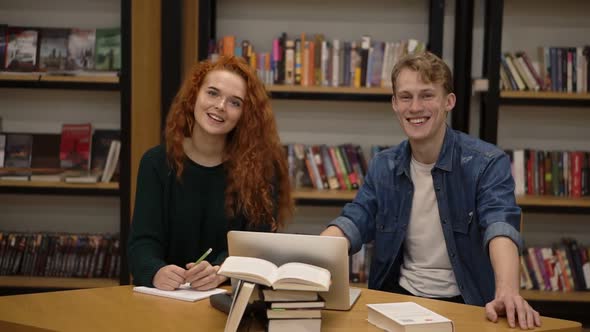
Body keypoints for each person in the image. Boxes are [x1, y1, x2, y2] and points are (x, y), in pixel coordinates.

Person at [321, 51, 541, 329]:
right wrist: (314, 256)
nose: (415, 107)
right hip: (397, 300)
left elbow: (500, 227)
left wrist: (508, 291)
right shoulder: (383, 166)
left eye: (427, 95)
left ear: (448, 101)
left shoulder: (486, 163)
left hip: (466, 302)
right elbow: (355, 219)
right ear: (394, 104)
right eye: (405, 96)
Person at [128, 55, 293, 292]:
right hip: (167, 298)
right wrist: (155, 271)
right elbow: (142, 242)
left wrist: (221, 271)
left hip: (229, 297)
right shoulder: (156, 163)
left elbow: (258, 245)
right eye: (213, 93)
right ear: (195, 95)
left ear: (245, 116)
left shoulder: (263, 169)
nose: (220, 106)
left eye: (235, 102)